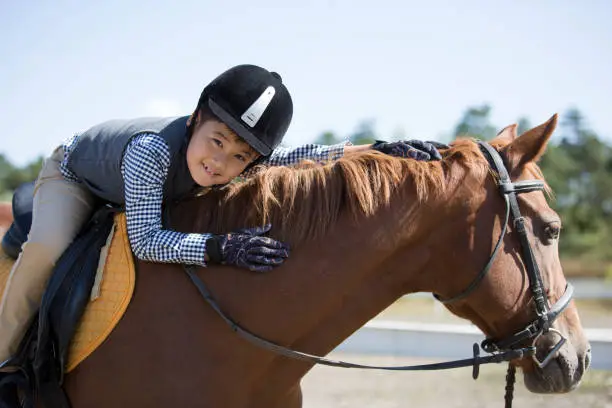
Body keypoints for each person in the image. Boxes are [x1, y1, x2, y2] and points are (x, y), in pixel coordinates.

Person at [0, 64, 442, 370]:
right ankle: (3, 356)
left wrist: (371, 150)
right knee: (47, 248)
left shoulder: (236, 160)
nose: (220, 163)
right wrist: (222, 248)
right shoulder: (151, 152)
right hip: (75, 175)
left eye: (239, 156)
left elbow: (292, 158)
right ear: (195, 119)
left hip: (141, 185)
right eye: (217, 141)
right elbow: (147, 241)